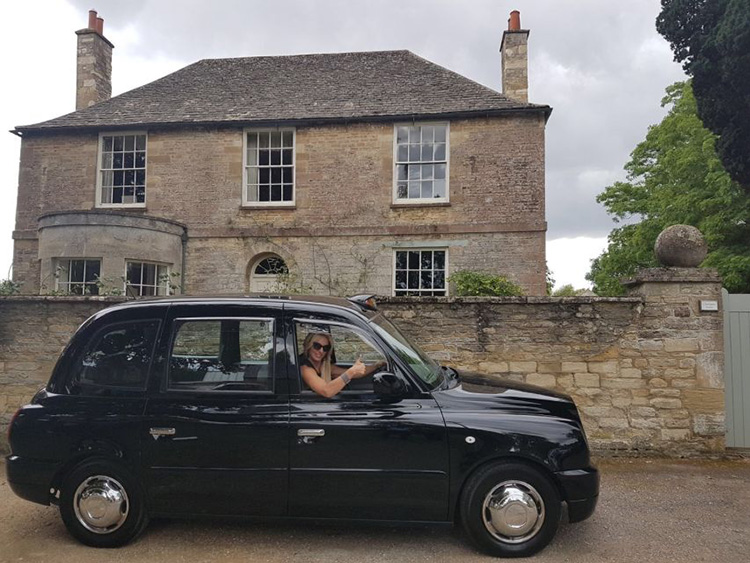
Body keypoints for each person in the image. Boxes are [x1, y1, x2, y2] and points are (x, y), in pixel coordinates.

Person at [300, 332, 385, 398]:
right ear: (309, 345)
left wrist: (377, 365)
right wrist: (351, 372)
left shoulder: (324, 366)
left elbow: (357, 373)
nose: (321, 351)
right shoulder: (305, 368)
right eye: (317, 346)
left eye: (325, 348)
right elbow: (326, 391)